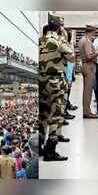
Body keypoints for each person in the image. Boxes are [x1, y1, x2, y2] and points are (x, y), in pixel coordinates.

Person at [39, 13, 74, 161]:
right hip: (56, 81)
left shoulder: (40, 40)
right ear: (60, 27)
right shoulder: (59, 40)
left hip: (41, 79)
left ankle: (39, 146)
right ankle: (50, 150)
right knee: (56, 114)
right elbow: (71, 56)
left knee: (43, 114)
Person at [80, 25, 98, 119]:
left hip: (86, 65)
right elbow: (89, 56)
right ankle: (87, 112)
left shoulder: (84, 40)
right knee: (88, 91)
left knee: (87, 90)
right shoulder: (86, 41)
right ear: (92, 32)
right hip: (88, 66)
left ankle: (87, 110)